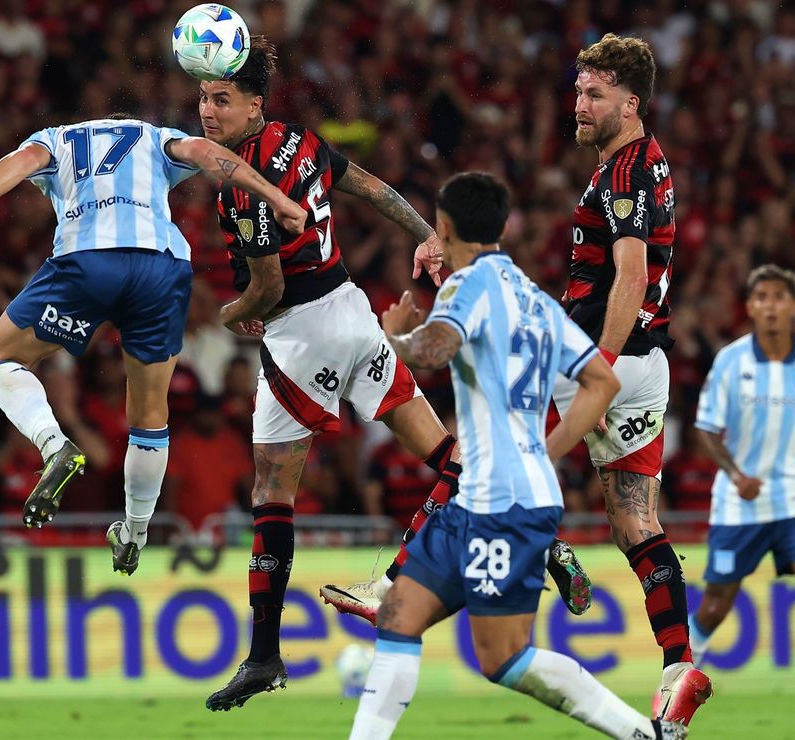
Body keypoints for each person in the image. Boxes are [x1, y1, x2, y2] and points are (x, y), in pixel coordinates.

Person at [197, 38, 590, 711]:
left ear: (254, 103)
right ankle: (546, 543)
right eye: (204, 98)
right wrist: (425, 234)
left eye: (221, 100)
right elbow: (372, 187)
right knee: (445, 453)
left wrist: (226, 314)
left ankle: (263, 654)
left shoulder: (245, 185)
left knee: (272, 491)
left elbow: (264, 287)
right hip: (353, 311)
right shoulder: (300, 141)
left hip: (302, 336)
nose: (208, 112)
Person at [348, 171, 692, 740]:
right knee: (398, 617)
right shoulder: (534, 298)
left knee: (503, 659)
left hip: (502, 505)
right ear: (504, 228)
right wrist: (546, 453)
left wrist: (397, 337)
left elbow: (435, 349)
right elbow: (601, 385)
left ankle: (646, 736)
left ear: (447, 225)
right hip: (496, 496)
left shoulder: (466, 289)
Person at [0, 115, 306, 574]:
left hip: (88, 260)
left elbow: (18, 164)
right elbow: (204, 153)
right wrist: (276, 197)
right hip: (161, 266)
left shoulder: (57, 140)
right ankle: (135, 532)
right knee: (151, 414)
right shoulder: (153, 137)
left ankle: (53, 444)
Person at [552, 33, 711, 718]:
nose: (579, 104)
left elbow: (632, 275)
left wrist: (600, 370)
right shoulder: (646, 162)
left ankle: (547, 551)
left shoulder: (623, 175)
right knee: (634, 523)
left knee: (485, 447)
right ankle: (680, 671)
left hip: (603, 357)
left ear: (631, 101)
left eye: (595, 94)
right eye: (579, 91)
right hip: (649, 365)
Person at [690, 265, 795, 740]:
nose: (771, 305)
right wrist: (736, 475)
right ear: (751, 306)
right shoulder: (730, 361)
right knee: (716, 604)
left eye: (780, 296)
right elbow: (705, 428)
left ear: (793, 306)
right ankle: (669, 697)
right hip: (740, 505)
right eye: (762, 296)